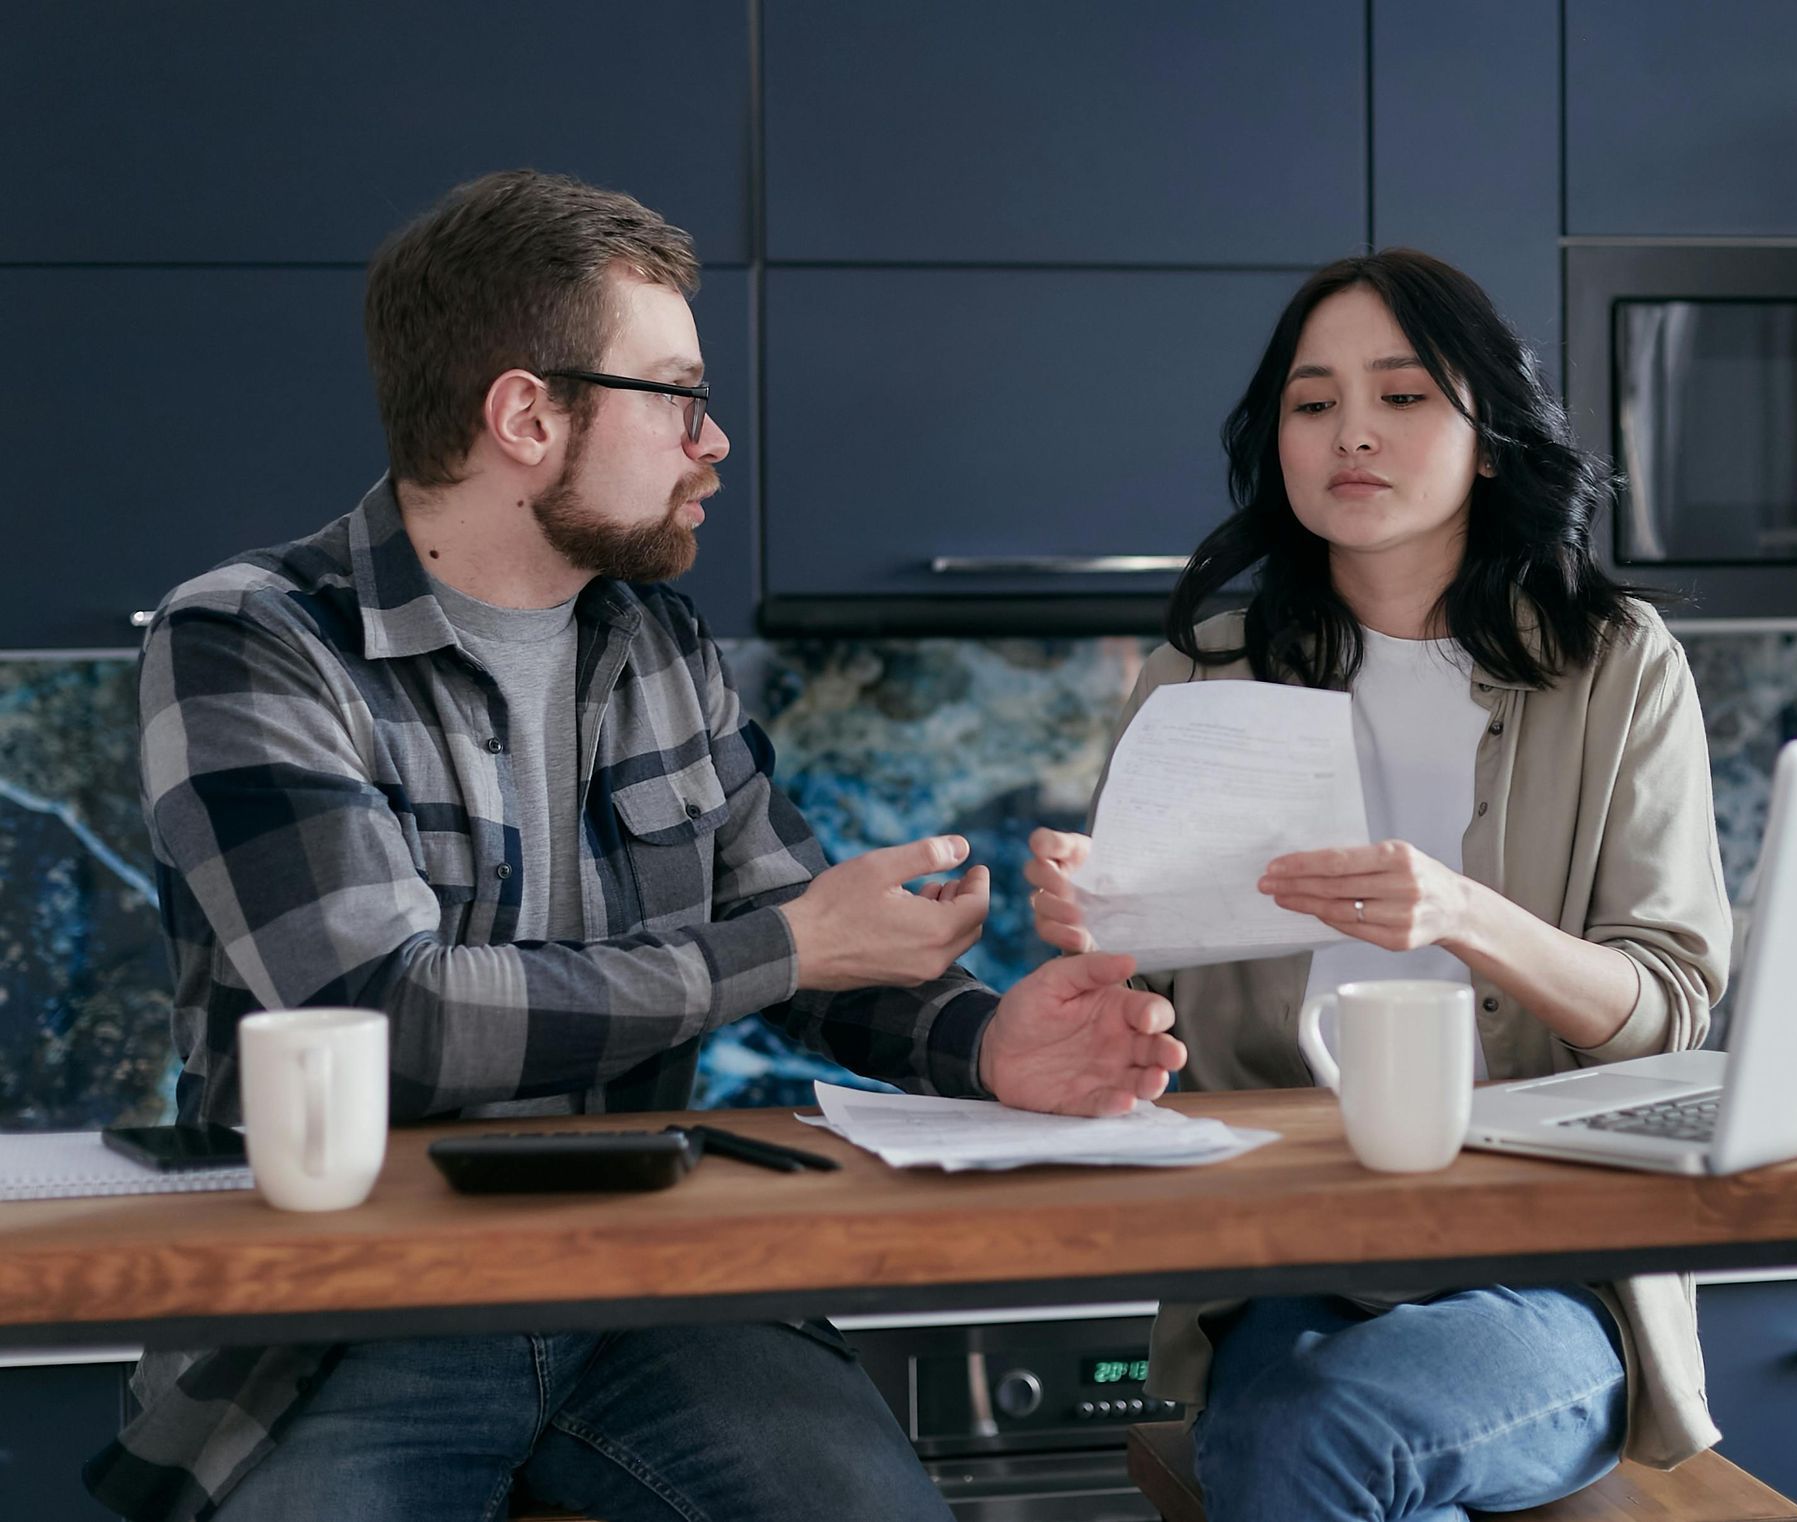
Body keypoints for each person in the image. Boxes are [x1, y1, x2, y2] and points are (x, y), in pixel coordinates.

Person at [85, 169, 1184, 1522]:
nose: (711, 441)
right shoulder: (251, 643)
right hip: (346, 1310)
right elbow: (384, 1013)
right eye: (676, 395)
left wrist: (988, 1041)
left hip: (651, 1282)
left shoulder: (651, 639)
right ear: (527, 415)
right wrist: (782, 946)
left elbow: (810, 927)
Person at [1026, 249, 1731, 1522]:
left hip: (1547, 1259)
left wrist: (1462, 913)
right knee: (1295, 1439)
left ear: (1493, 436)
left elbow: (1670, 1003)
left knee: (1316, 1442)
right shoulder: (1205, 671)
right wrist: (1095, 933)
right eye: (1312, 402)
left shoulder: (1615, 665)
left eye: (1404, 396)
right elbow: (1148, 1005)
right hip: (1286, 1247)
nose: (1351, 431)